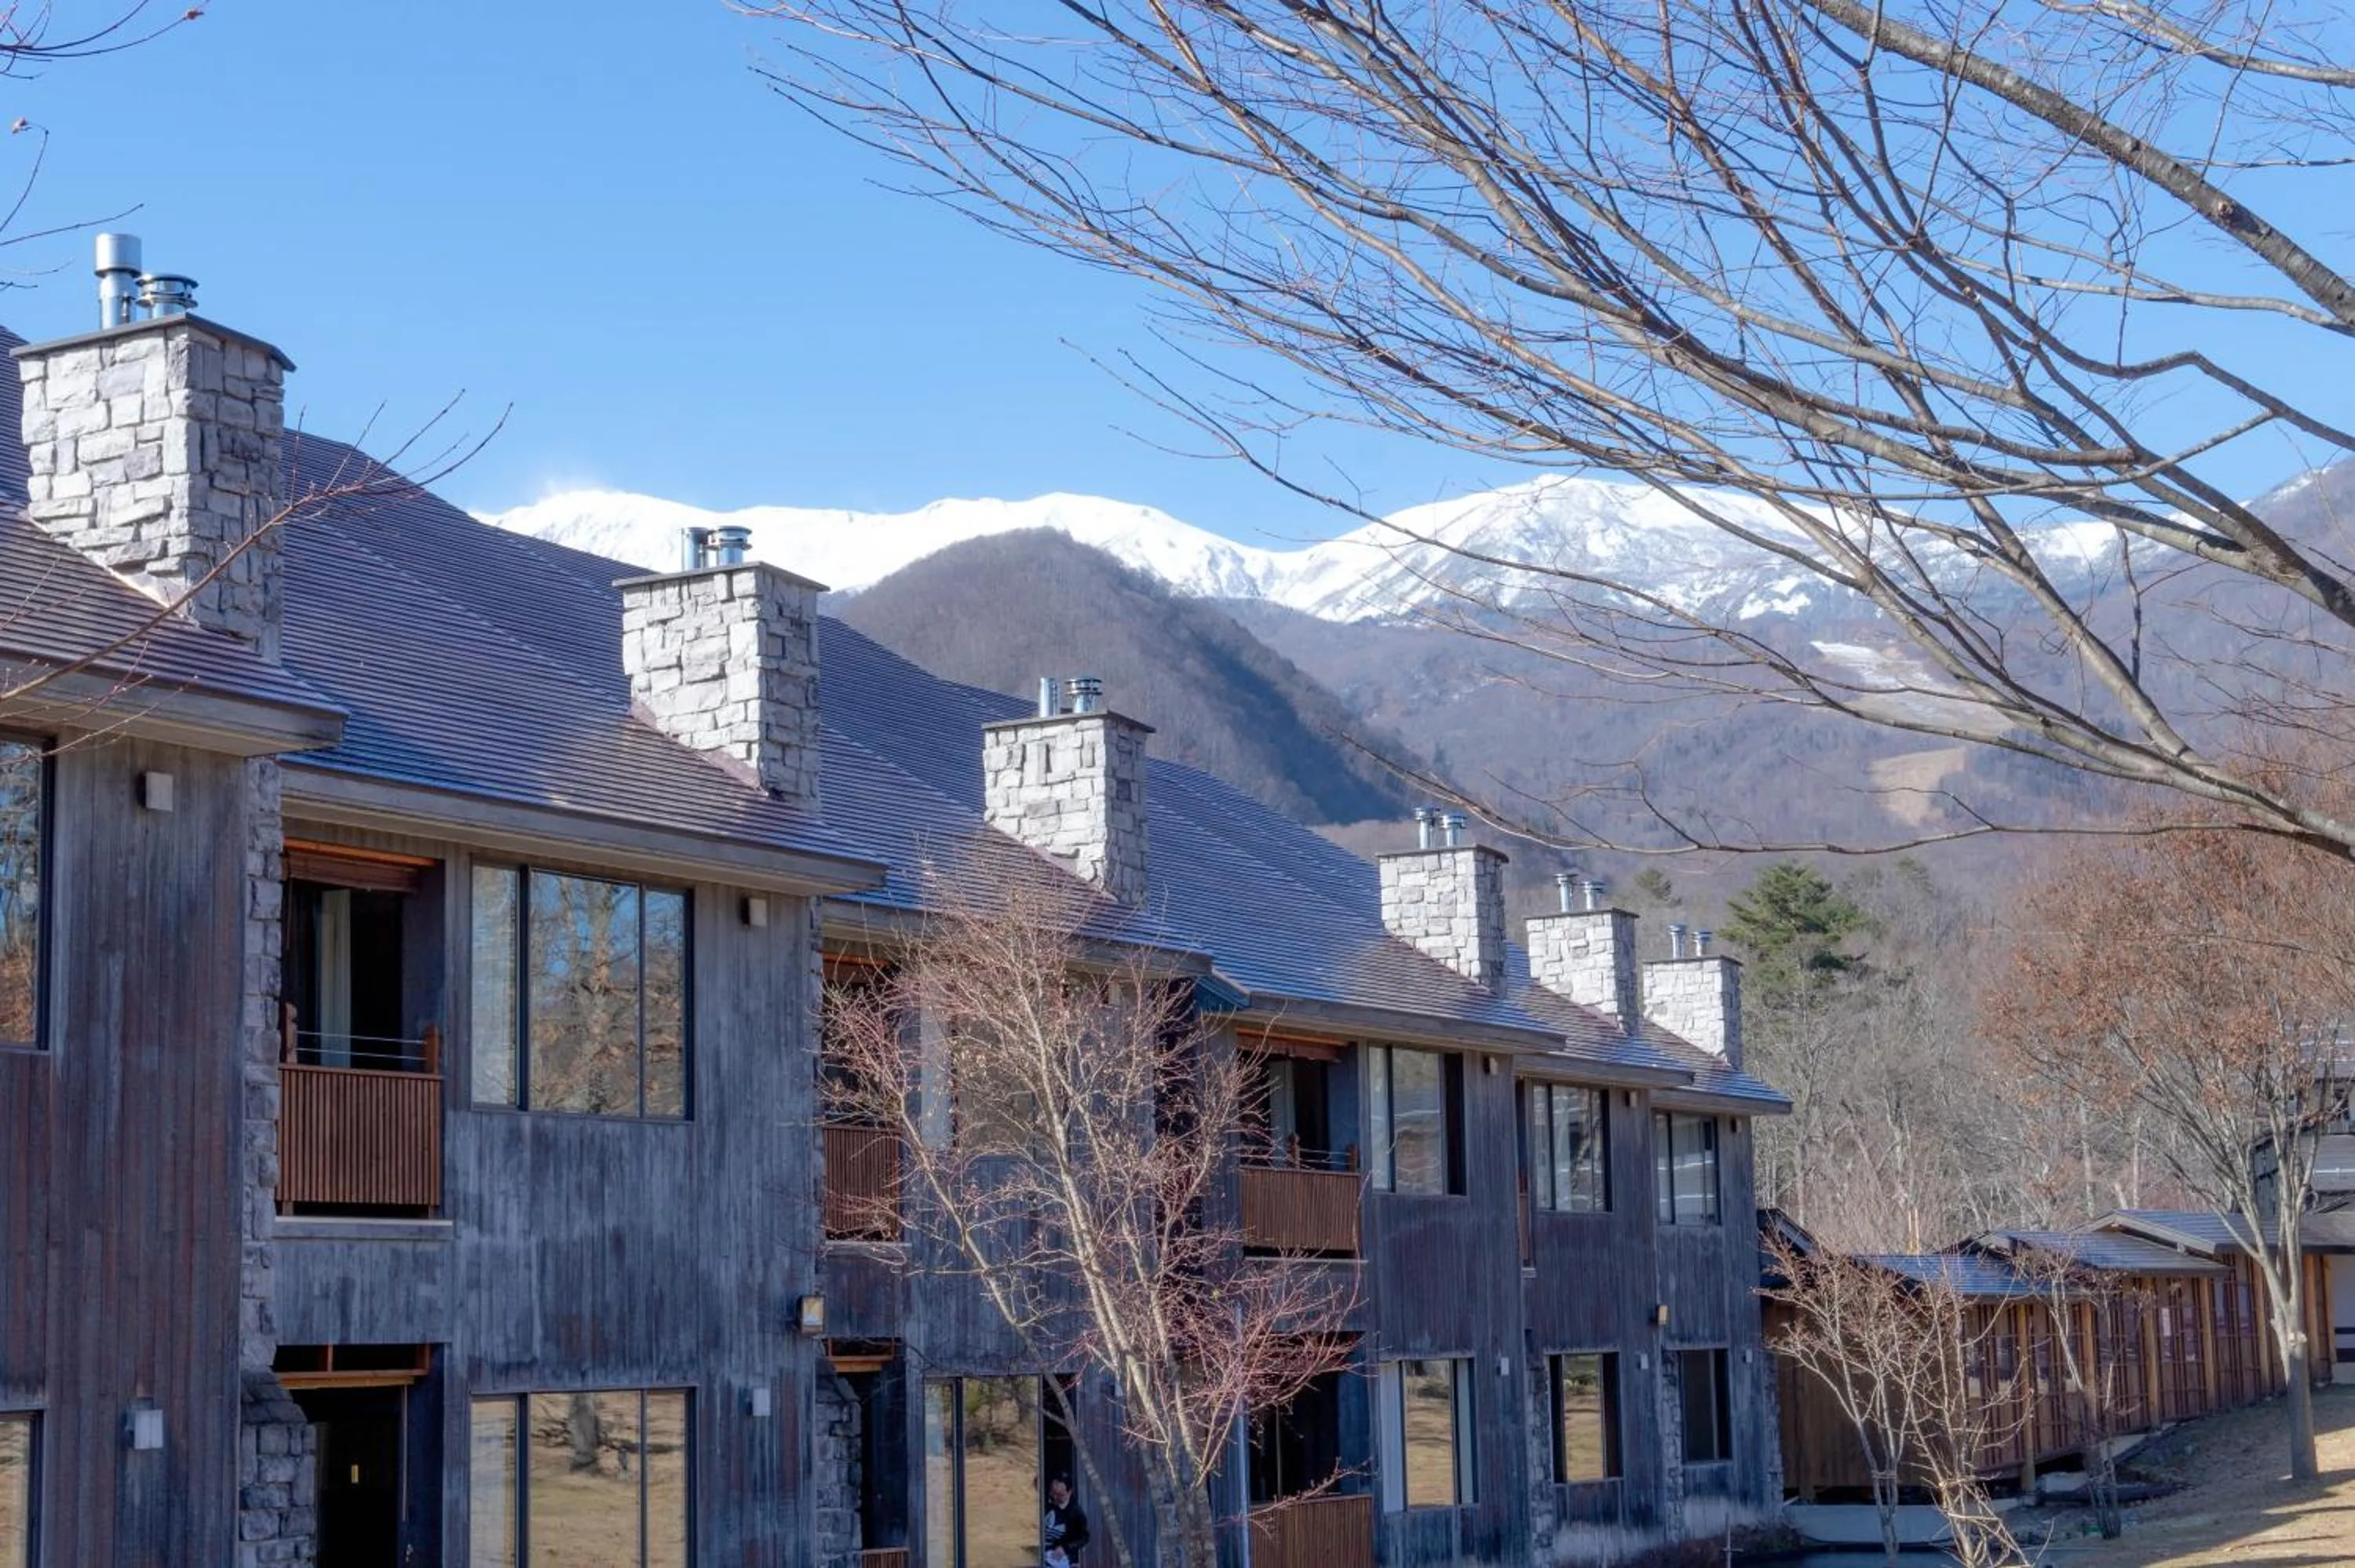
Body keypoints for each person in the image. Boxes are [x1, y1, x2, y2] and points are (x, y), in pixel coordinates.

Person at [1042, 1474, 1090, 1568]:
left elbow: (1084, 1538)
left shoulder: (1076, 1513)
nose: (1054, 1497)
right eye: (1053, 1493)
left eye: (1059, 1495)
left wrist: (1065, 1548)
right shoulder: (1045, 1503)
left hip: (1056, 1556)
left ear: (1069, 1492)